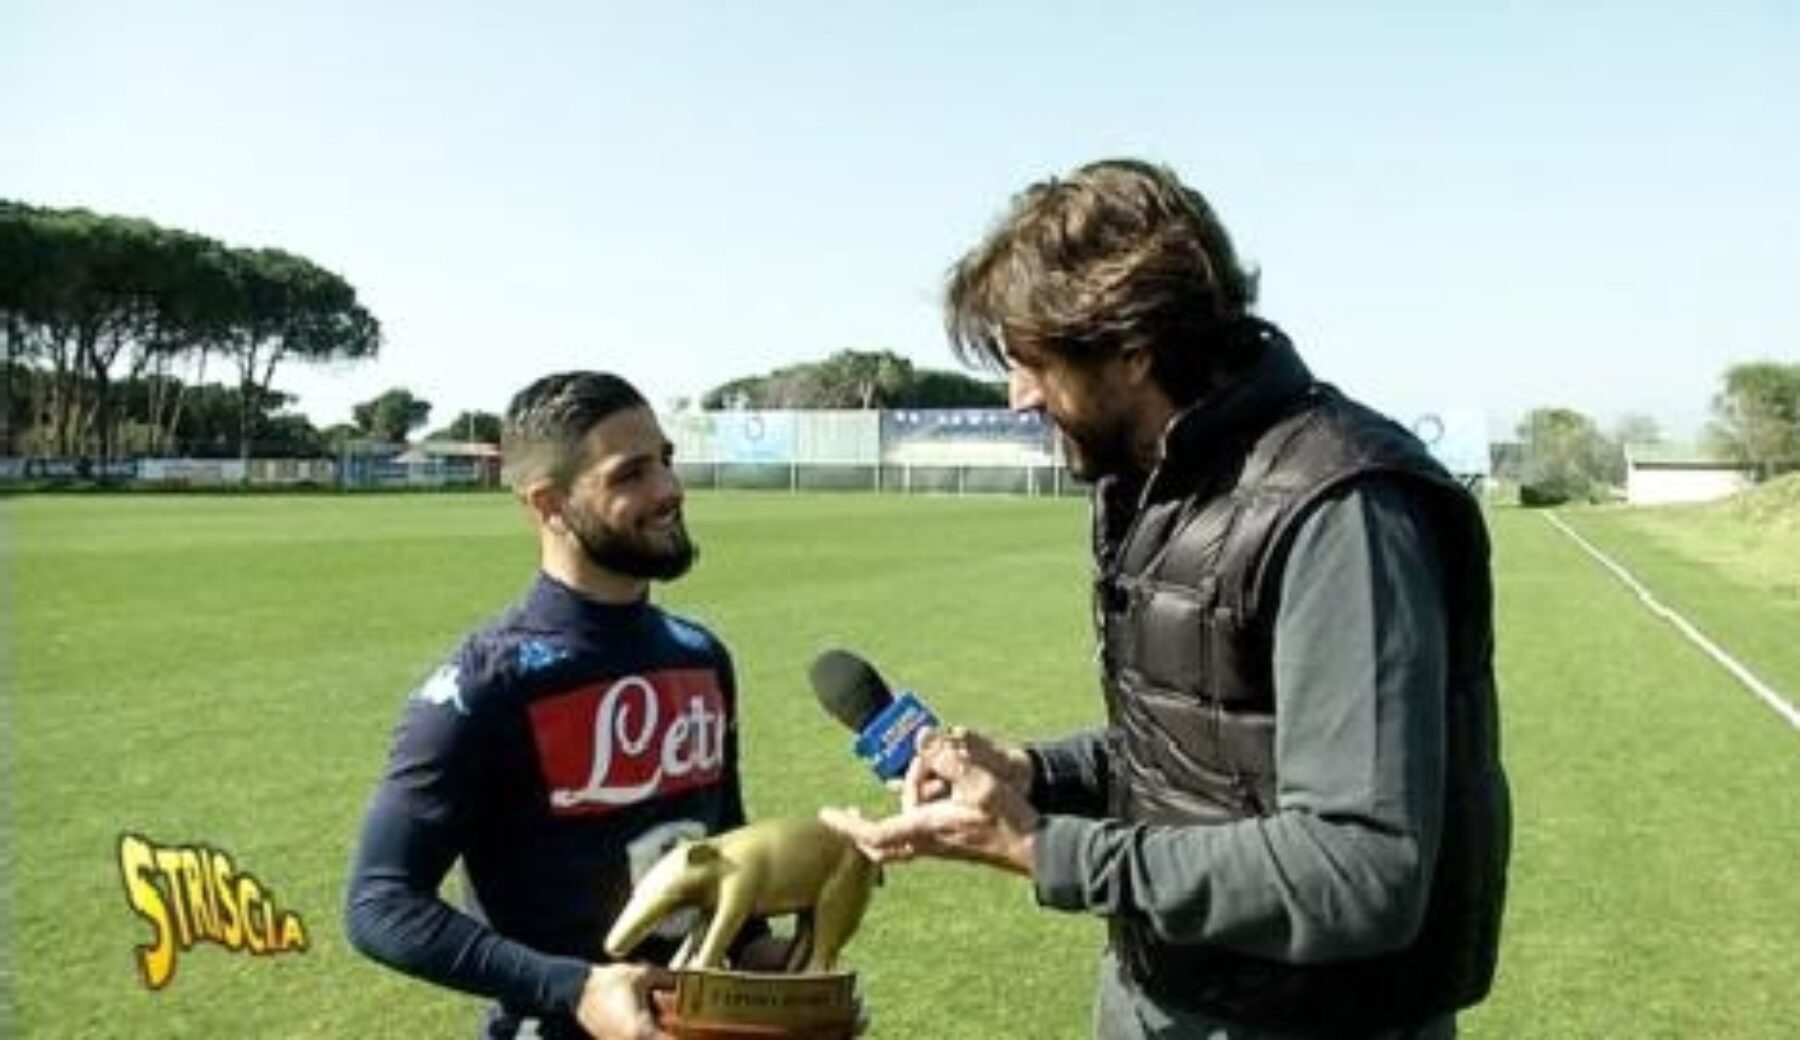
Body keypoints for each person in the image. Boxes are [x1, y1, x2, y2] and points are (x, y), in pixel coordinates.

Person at [821, 160, 1511, 1039]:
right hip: (1160, 994)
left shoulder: (1342, 511)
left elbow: (1359, 867)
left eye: (1033, 362)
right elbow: (1209, 756)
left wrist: (1045, 847)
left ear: (1132, 348)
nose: (1018, 395)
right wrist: (1038, 773)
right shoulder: (1150, 483)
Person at [346, 371, 774, 1040]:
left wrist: (763, 956)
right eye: (630, 474)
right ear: (548, 503)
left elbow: (718, 851)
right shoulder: (484, 687)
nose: (669, 490)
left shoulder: (701, 656)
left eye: (665, 460)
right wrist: (570, 987)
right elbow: (379, 903)